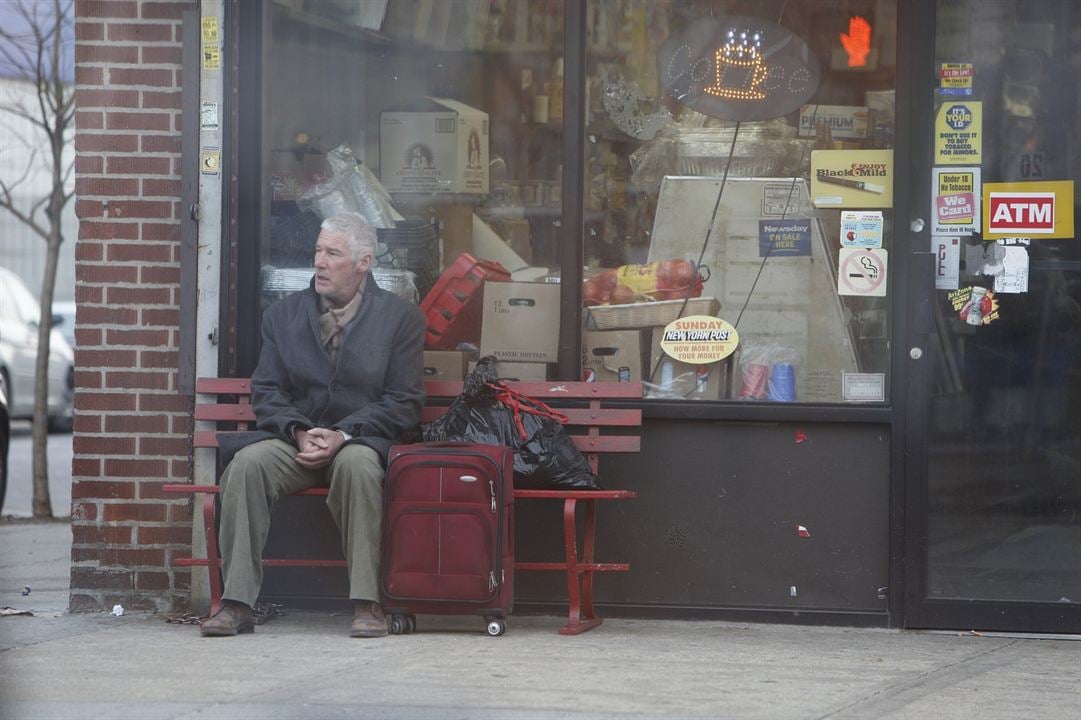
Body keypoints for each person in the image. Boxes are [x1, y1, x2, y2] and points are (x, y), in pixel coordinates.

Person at [200, 211, 425, 638]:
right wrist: (300, 430)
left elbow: (404, 402)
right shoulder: (282, 316)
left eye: (333, 253)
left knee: (358, 469)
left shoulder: (400, 319)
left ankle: (367, 603)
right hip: (295, 439)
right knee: (246, 465)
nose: (319, 261)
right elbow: (267, 392)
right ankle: (237, 603)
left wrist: (343, 434)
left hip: (360, 440)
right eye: (318, 251)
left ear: (363, 263)